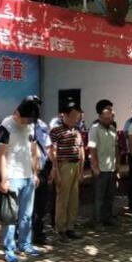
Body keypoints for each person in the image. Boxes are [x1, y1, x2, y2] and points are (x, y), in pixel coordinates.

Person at [0, 96, 42, 262]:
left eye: (30, 121)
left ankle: (25, 244)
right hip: (12, 177)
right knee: (10, 216)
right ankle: (9, 249)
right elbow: (1, 155)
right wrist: (4, 179)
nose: (27, 123)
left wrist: (35, 173)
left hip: (28, 176)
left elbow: (33, 151)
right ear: (17, 113)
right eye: (26, 120)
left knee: (27, 215)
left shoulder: (31, 125)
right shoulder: (6, 126)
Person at [50, 98, 85, 242]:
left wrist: (81, 170)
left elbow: (81, 149)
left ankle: (70, 227)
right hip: (63, 166)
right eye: (73, 116)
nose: (75, 119)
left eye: (77, 116)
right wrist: (56, 171)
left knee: (73, 199)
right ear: (64, 115)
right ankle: (61, 229)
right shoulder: (56, 131)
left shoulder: (77, 131)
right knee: (62, 199)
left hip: (75, 166)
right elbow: (53, 152)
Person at [88, 99, 119, 227]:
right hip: (100, 168)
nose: (109, 119)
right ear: (100, 116)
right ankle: (97, 221)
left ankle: (108, 218)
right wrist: (95, 167)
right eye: (106, 118)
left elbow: (115, 147)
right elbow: (92, 149)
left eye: (110, 117)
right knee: (99, 197)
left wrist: (117, 165)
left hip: (111, 167)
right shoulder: (95, 129)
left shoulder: (112, 129)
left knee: (110, 196)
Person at [32, 111, 54, 245]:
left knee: (41, 204)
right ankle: (24, 235)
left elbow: (49, 147)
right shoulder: (20, 126)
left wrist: (53, 167)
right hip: (28, 171)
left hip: (43, 169)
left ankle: (38, 233)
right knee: (28, 206)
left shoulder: (42, 125)